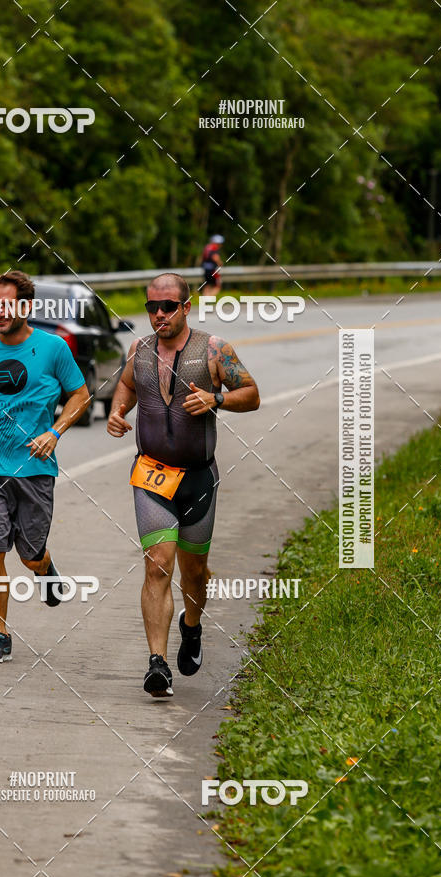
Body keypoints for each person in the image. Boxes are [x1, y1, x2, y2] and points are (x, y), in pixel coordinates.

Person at [107, 273, 259, 696]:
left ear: (186, 307)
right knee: (158, 562)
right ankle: (156, 663)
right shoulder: (139, 351)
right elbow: (125, 386)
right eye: (151, 306)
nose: (159, 314)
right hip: (151, 475)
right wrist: (119, 413)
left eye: (167, 306)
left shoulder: (213, 349)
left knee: (194, 572)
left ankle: (191, 625)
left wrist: (218, 399)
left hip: (198, 478)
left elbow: (251, 392)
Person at [0, 270, 89, 662]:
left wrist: (56, 431)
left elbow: (80, 394)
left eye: (7, 304)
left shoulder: (54, 348)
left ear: (27, 307)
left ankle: (44, 570)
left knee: (29, 554)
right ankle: (0, 635)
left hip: (35, 467)